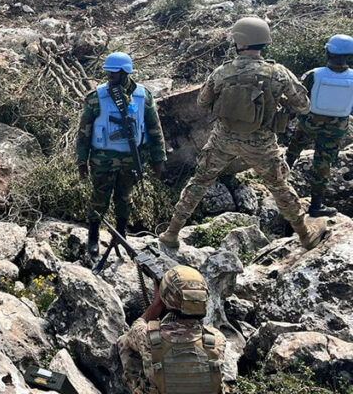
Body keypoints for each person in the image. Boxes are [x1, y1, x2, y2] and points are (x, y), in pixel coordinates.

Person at [159, 17, 327, 250]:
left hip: (223, 140)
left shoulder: (222, 71)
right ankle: (305, 234)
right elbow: (303, 106)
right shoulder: (277, 73)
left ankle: (171, 233)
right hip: (261, 144)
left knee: (199, 182)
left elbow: (201, 102)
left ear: (240, 42)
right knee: (279, 187)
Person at [76, 52, 167, 256]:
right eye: (108, 73)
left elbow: (154, 128)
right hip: (103, 158)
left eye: (113, 73)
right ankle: (93, 237)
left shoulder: (143, 96)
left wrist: (158, 159)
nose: (109, 77)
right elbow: (84, 132)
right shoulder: (96, 97)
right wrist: (81, 160)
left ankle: (120, 235)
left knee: (125, 198)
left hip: (131, 158)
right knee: (99, 197)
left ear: (125, 72)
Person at [118, 265, 226, 394]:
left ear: (166, 298)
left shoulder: (146, 336)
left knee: (124, 341)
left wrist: (157, 304)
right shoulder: (216, 338)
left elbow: (137, 326)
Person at [285, 34, 353, 217]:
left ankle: (279, 180)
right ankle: (316, 206)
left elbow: (298, 96)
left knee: (294, 148)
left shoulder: (314, 74)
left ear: (328, 52)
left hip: (309, 122)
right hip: (336, 129)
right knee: (323, 164)